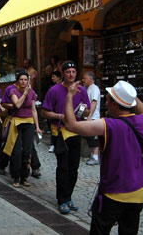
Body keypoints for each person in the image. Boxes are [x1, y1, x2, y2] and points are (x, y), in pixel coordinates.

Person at [63, 80, 143, 234]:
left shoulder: (107, 125)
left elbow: (71, 125)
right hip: (137, 193)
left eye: (109, 99)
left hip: (113, 193)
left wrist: (69, 96)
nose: (106, 102)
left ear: (115, 104)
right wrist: (132, 96)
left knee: (100, 230)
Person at [41, 60, 91, 214]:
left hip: (76, 131)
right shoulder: (54, 90)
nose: (71, 74)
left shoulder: (81, 90)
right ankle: (62, 200)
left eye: (74, 72)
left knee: (74, 167)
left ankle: (68, 196)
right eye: (68, 72)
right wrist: (59, 116)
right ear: (62, 73)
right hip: (60, 132)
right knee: (63, 167)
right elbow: (44, 112)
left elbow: (88, 110)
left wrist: (81, 112)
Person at [0, 69, 42, 187]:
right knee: (16, 151)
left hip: (28, 123)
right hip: (16, 123)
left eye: (25, 80)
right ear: (17, 81)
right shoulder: (13, 91)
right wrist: (25, 93)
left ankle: (24, 177)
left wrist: (37, 126)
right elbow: (17, 105)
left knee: (27, 151)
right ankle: (16, 177)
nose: (23, 82)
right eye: (21, 80)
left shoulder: (32, 92)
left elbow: (33, 110)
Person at [82, 71, 101, 166]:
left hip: (93, 117)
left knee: (93, 137)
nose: (83, 80)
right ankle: (93, 155)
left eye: (85, 78)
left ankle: (95, 156)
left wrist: (90, 116)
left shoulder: (94, 88)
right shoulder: (88, 89)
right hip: (89, 116)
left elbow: (94, 102)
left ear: (90, 79)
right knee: (89, 136)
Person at [48, 69, 62, 153]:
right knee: (53, 128)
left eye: (54, 76)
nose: (52, 78)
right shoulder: (52, 88)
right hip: (53, 111)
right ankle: (53, 144)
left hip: (60, 111)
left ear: (59, 77)